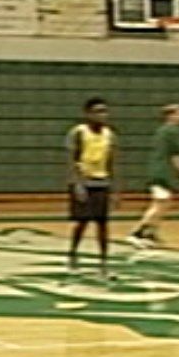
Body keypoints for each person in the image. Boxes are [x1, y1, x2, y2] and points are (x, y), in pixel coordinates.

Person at [130, 103, 179, 249]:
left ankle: (150, 232)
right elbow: (175, 154)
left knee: (164, 203)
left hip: (161, 171)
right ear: (170, 115)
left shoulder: (163, 131)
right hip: (162, 172)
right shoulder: (172, 131)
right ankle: (137, 233)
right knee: (160, 202)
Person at [66, 97, 117, 277]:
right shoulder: (78, 133)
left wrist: (114, 189)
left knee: (103, 223)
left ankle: (103, 260)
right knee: (82, 221)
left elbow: (111, 162)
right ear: (88, 114)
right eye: (97, 111)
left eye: (104, 111)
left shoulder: (109, 134)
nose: (102, 115)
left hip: (101, 181)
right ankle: (73, 254)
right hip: (83, 181)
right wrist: (77, 184)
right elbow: (73, 160)